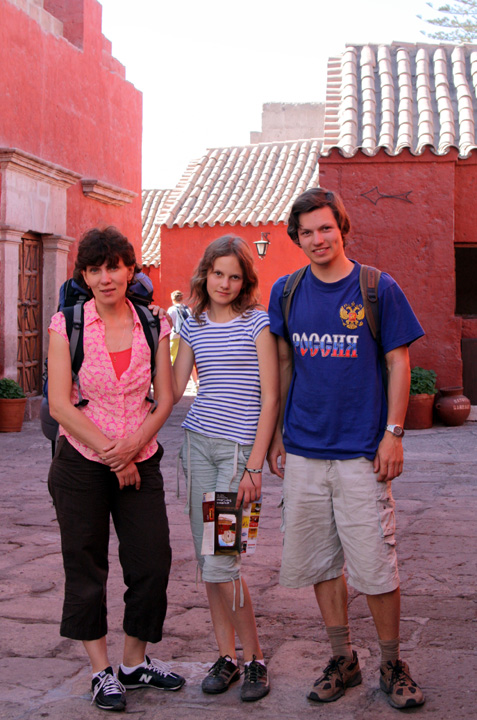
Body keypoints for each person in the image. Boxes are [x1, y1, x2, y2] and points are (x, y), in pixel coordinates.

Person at [267, 188, 426, 710]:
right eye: (307, 232)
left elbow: (399, 362)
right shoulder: (286, 292)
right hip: (305, 451)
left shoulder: (378, 288)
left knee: (376, 564)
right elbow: (284, 364)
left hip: (362, 451)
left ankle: (392, 663)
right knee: (320, 562)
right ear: (296, 238)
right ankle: (343, 658)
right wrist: (277, 435)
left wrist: (393, 433)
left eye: (325, 228)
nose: (317, 239)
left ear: (342, 229)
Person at [47, 227, 185, 712]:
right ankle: (100, 671)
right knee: (86, 565)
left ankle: (133, 663)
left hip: (140, 458)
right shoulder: (67, 324)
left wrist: (132, 450)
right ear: (84, 276)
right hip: (81, 462)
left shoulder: (152, 322)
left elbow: (165, 398)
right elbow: (60, 405)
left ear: (130, 270)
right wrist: (114, 453)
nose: (105, 277)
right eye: (95, 269)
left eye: (114, 267)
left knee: (152, 561)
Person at [172, 235, 279, 702]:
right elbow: (174, 387)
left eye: (234, 276)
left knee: (223, 558)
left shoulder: (258, 322)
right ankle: (226, 657)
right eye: (218, 273)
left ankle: (254, 659)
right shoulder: (192, 325)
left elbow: (271, 398)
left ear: (244, 281)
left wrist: (255, 466)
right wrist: (158, 337)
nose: (225, 283)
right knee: (207, 560)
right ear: (206, 274)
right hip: (197, 447)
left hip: (237, 456)